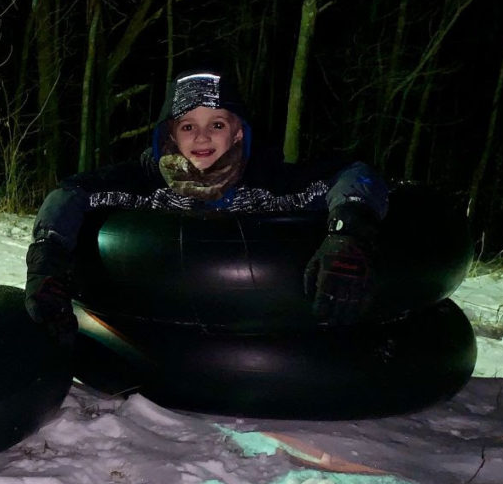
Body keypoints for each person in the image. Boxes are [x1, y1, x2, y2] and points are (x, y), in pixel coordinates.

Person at [25, 69, 389, 342]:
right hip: (155, 334)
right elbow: (69, 195)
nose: (201, 137)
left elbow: (355, 175)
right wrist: (46, 266)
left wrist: (348, 235)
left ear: (238, 131)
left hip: (265, 332)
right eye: (187, 126)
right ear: (170, 134)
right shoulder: (143, 182)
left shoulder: (270, 180)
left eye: (216, 124)